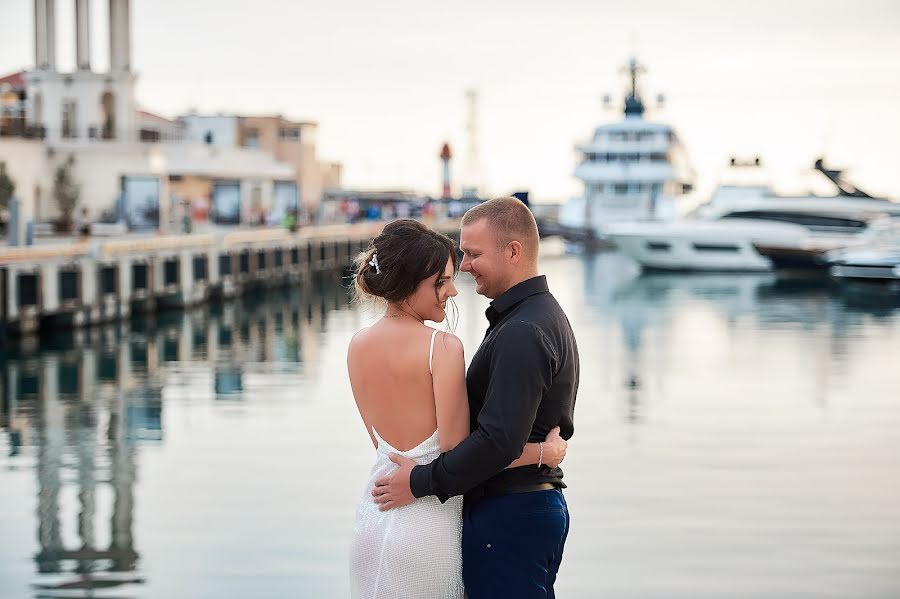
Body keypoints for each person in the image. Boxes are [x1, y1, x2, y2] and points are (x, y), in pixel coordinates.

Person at [348, 219, 567, 598]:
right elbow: (458, 450)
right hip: (427, 522)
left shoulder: (357, 344)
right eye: (441, 281)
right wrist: (544, 452)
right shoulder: (442, 348)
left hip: (374, 512)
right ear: (411, 280)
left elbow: (387, 446)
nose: (452, 290)